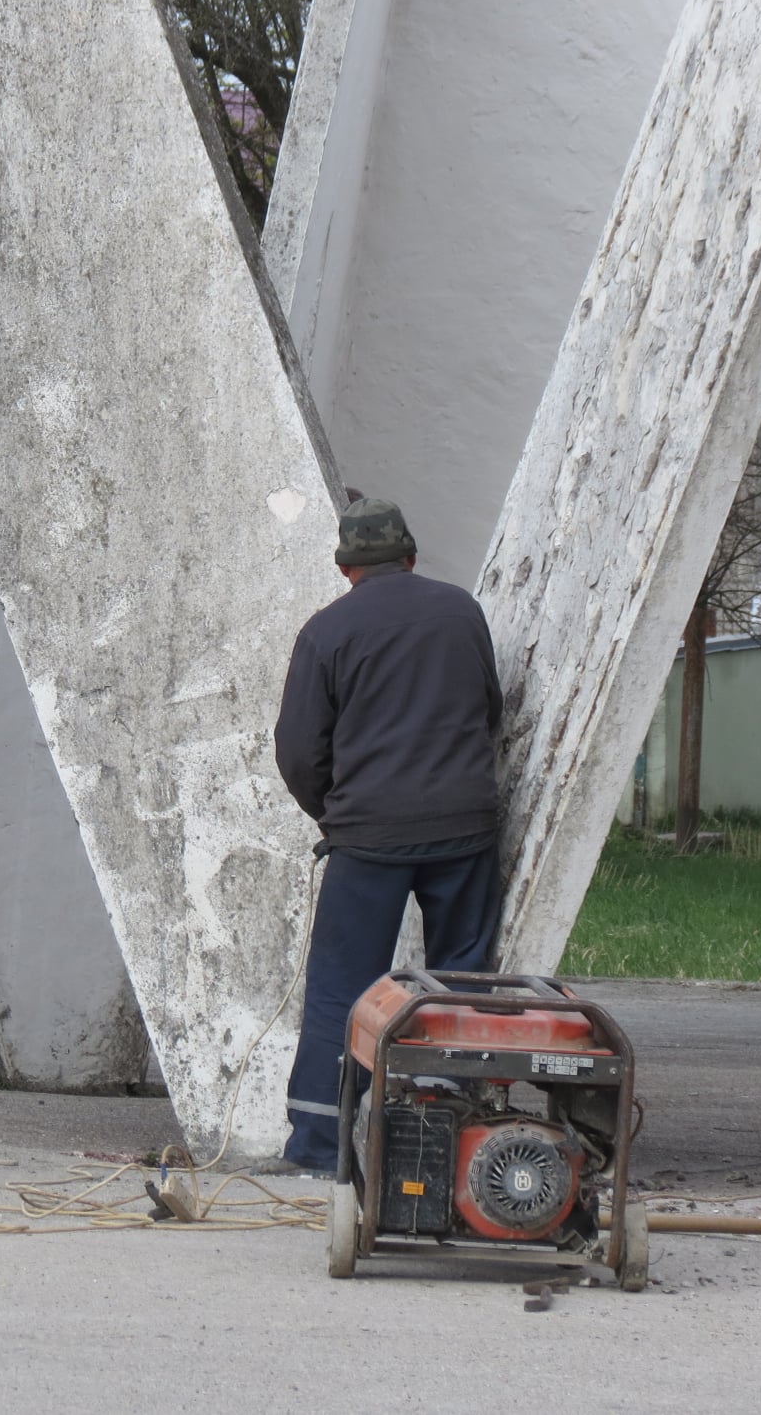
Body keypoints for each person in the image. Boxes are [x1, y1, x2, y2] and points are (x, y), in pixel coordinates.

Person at [270, 497, 506, 1174]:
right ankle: (450, 1140)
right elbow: (489, 707)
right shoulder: (461, 611)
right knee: (462, 984)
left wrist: (336, 814)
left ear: (347, 567)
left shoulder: (327, 631)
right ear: (409, 555)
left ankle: (318, 1147)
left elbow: (297, 751)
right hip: (465, 831)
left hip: (369, 839)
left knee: (342, 992)